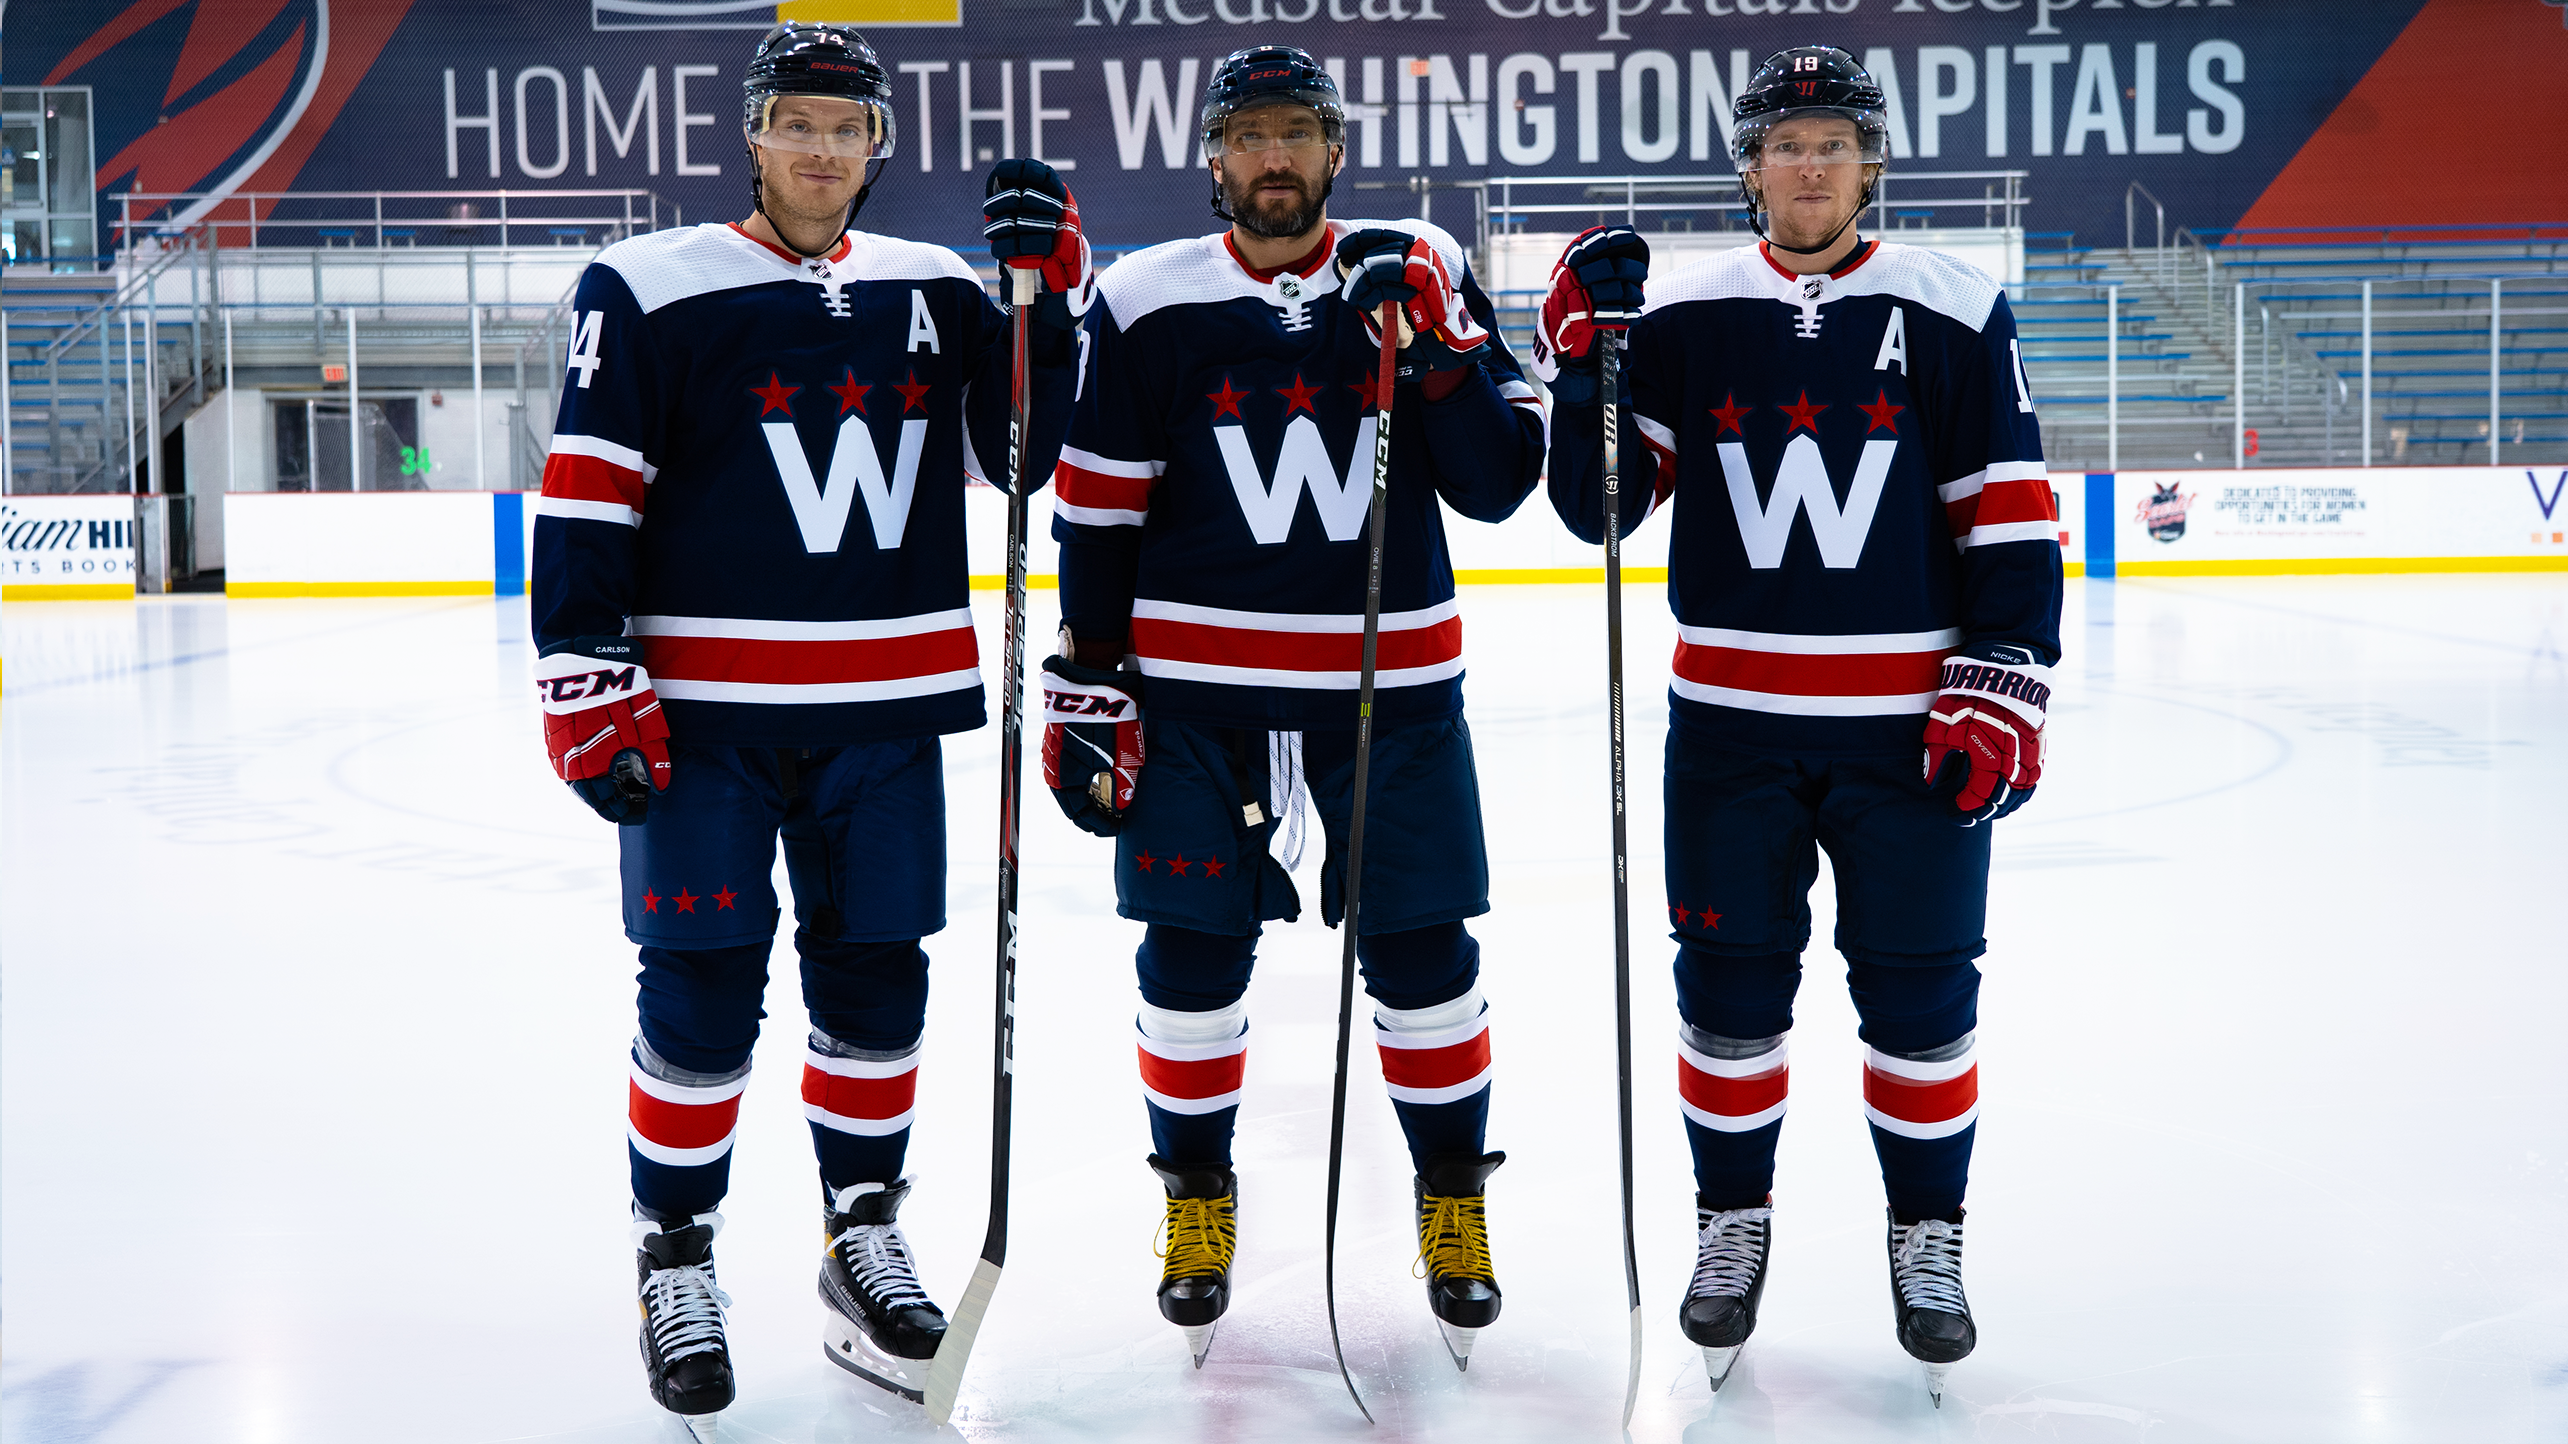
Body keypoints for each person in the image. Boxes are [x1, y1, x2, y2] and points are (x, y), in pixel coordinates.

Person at [527, 21, 1089, 1433]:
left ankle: (861, 1230)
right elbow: (589, 485)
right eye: (799, 123)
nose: (824, 150)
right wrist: (585, 666)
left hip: (887, 710)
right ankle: (677, 1255)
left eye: (848, 127)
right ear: (756, 135)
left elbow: (1030, 453)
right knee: (701, 994)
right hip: (706, 714)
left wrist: (1045, 303)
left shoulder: (939, 288)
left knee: (876, 984)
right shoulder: (650, 284)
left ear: (877, 144)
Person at [1534, 45, 2060, 1404]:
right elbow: (1600, 508)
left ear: (1870, 162)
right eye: (1786, 143)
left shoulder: (1952, 303)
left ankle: (1927, 1238)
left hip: (1908, 734)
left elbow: (2006, 509)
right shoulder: (1687, 315)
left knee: (1925, 1002)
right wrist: (1584, 364)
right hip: (1729, 736)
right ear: (1750, 166)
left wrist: (2004, 674)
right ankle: (1732, 1223)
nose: (1810, 164)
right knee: (1727, 1004)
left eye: (1834, 142)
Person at [1034, 44, 1546, 1372]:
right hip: (1197, 702)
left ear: (1336, 151)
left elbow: (1498, 484)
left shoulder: (1416, 261)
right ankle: (1196, 1201)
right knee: (1192, 964)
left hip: (1392, 694)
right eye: (1249, 135)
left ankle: (1453, 1201)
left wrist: (1434, 347)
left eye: (1297, 134)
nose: (1274, 158)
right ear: (1214, 158)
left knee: (1427, 961)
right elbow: (1095, 505)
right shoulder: (1145, 300)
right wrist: (1091, 677)